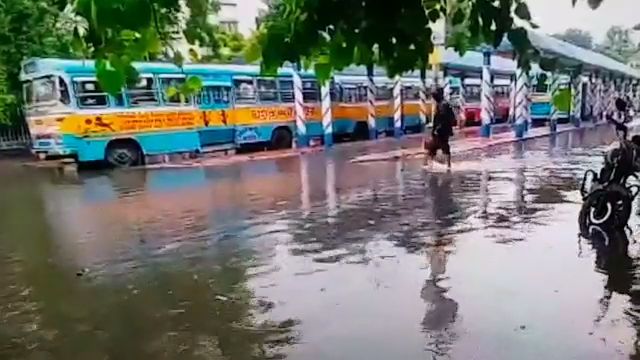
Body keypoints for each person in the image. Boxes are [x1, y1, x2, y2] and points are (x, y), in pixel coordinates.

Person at [424, 87, 455, 169]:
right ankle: (446, 164)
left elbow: (442, 119)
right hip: (443, 131)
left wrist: (437, 129)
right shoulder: (444, 104)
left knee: (435, 147)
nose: (433, 98)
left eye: (434, 96)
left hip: (441, 131)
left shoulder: (442, 105)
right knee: (439, 147)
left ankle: (429, 164)